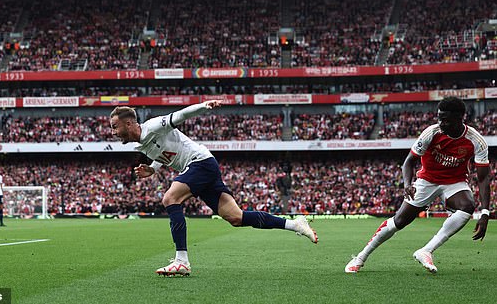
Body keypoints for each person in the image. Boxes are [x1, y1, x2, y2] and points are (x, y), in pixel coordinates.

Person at [110, 100, 317, 277]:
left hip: (200, 163)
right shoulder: (141, 143)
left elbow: (180, 115)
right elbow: (163, 153)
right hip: (202, 168)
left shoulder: (153, 126)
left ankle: (181, 260)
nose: (114, 132)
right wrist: (153, 169)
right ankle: (294, 224)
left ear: (129, 123)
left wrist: (204, 106)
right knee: (236, 217)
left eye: (115, 127)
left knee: (170, 198)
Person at [345, 97, 490, 274]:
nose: (441, 123)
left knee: (467, 206)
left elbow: (483, 179)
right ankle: (360, 257)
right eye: (439, 118)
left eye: (445, 119)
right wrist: (407, 184)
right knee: (399, 221)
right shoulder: (431, 132)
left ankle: (426, 250)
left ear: (460, 118)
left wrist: (485, 213)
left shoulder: (476, 140)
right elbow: (408, 162)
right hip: (427, 180)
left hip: (454, 182)